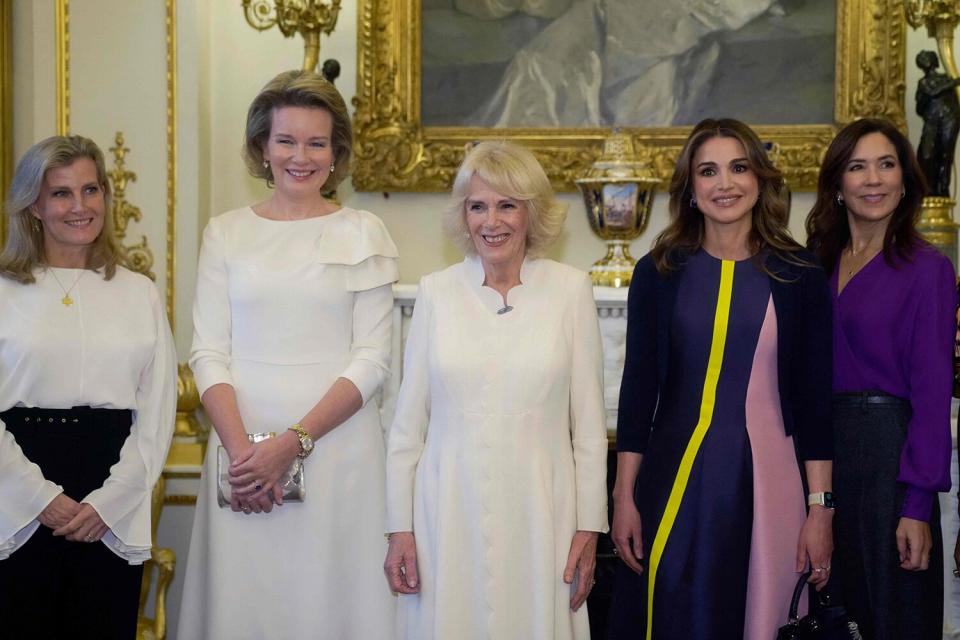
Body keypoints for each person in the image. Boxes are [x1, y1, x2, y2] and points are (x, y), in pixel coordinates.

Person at [177, 70, 399, 638]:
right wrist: (244, 459)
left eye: (316, 143)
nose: (301, 156)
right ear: (262, 147)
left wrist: (292, 445)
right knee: (247, 605)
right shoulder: (224, 233)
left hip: (339, 455)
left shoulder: (365, 231)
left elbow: (372, 360)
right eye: (286, 140)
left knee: (331, 605)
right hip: (241, 458)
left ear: (336, 153)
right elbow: (208, 351)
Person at [608, 118, 835, 640]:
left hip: (772, 482)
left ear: (759, 178)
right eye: (708, 171)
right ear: (691, 189)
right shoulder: (658, 272)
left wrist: (820, 509)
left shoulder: (799, 273)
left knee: (763, 614)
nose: (725, 184)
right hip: (671, 483)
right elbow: (638, 392)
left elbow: (814, 400)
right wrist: (624, 498)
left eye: (738, 167)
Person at [384, 140, 609, 639]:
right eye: (478, 206)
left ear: (531, 214)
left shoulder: (571, 289)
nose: (493, 221)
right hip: (446, 508)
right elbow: (406, 426)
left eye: (508, 205)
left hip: (542, 510)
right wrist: (399, 528)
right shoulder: (435, 292)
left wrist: (588, 528)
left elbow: (590, 429)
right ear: (463, 216)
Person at [0, 135, 177, 639]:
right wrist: (38, 497)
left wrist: (108, 502)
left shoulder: (138, 292)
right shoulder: (3, 290)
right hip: (15, 493)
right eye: (61, 194)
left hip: (111, 494)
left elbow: (158, 411)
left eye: (91, 190)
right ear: (33, 204)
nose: (80, 207)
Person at [806, 117, 955, 640]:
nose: (874, 179)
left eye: (886, 164)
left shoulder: (927, 268)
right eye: (857, 166)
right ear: (838, 185)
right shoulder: (814, 265)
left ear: (905, 179)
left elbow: (934, 396)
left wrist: (916, 506)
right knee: (827, 617)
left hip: (890, 459)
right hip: (819, 462)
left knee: (895, 619)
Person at [915, 50, 960, 197]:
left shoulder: (945, 77)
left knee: (946, 155)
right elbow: (928, 97)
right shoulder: (924, 83)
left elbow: (954, 101)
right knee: (927, 154)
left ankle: (943, 188)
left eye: (926, 58)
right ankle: (928, 188)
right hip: (932, 121)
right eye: (922, 59)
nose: (924, 61)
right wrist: (953, 82)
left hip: (949, 120)